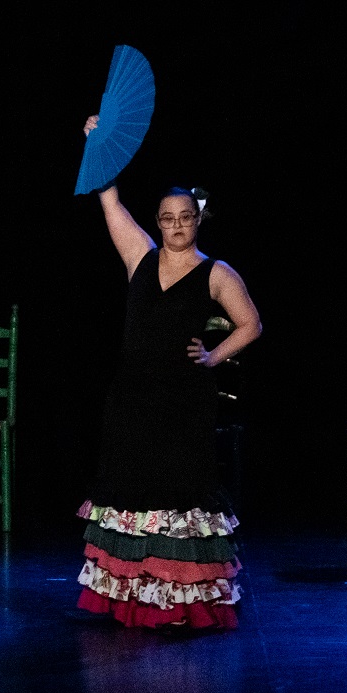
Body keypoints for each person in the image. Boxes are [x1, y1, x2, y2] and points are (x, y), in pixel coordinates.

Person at [76, 117, 262, 628]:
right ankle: (134, 597)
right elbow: (109, 199)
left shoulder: (216, 272)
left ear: (197, 220)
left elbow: (251, 324)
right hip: (132, 398)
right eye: (168, 218)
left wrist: (213, 356)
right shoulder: (140, 255)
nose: (177, 226)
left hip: (183, 402)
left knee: (179, 493)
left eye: (185, 218)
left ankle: (181, 600)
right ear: (157, 222)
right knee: (132, 492)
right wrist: (99, 143)